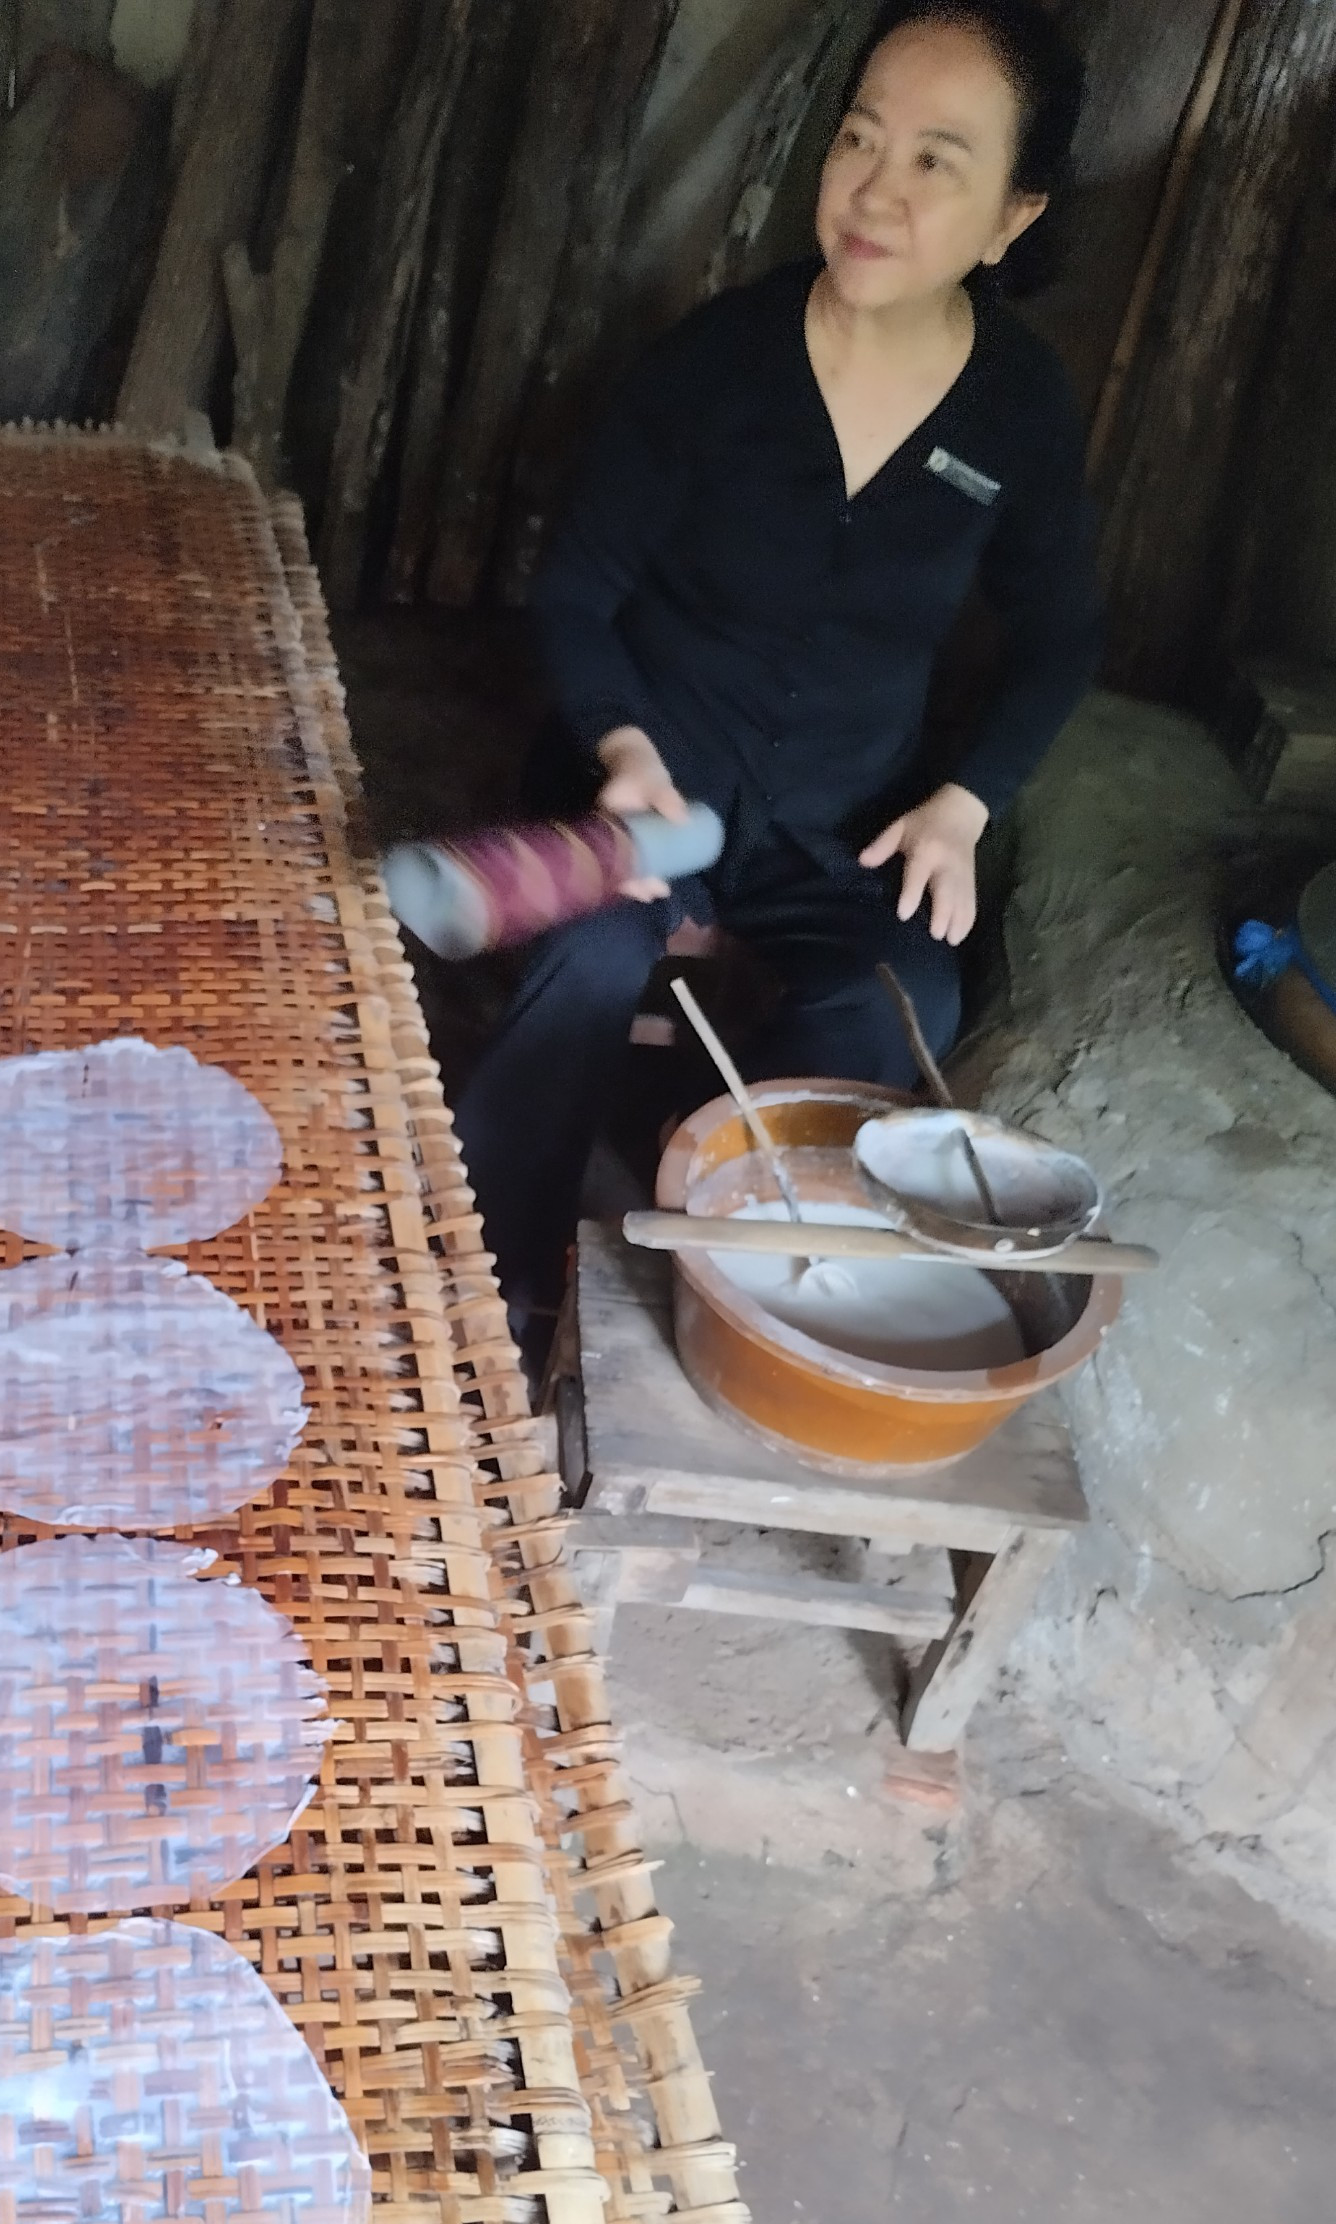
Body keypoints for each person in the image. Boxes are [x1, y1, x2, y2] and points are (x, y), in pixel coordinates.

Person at [455, 0, 1102, 1345]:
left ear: (1012, 217)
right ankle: (478, 1269)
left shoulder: (1019, 410)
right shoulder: (713, 368)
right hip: (652, 788)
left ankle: (769, 1294)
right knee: (586, 949)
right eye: (859, 138)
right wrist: (621, 751)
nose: (875, 188)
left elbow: (1058, 636)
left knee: (900, 998)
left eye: (937, 159)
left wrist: (965, 801)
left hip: (842, 825)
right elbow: (576, 591)